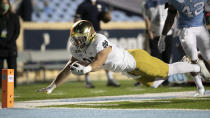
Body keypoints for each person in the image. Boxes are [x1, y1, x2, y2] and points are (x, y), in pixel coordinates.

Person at [37, 20, 204, 96]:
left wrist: (86, 69)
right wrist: (52, 86)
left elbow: (99, 63)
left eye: (79, 38)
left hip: (137, 60)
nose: (76, 42)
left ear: (89, 36)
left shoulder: (99, 41)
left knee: (168, 71)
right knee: (154, 84)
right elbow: (68, 67)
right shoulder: (75, 47)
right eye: (74, 38)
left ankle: (193, 66)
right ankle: (184, 64)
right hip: (127, 70)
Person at [158, 0, 210, 96]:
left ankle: (200, 56)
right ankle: (200, 88)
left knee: (208, 57)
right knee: (193, 59)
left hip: (201, 27)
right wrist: (163, 37)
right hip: (186, 29)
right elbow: (170, 18)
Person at [74, 0, 120, 88]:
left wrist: (107, 18)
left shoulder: (101, 4)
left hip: (99, 32)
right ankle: (87, 81)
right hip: (86, 33)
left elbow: (104, 16)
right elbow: (76, 19)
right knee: (87, 57)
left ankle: (109, 78)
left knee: (104, 54)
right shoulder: (83, 5)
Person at [0, 0, 20, 88]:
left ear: (9, 4)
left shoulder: (14, 16)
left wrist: (10, 41)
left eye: (6, 3)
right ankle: (1, 86)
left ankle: (12, 86)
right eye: (3, 3)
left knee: (12, 69)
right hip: (0, 47)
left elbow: (17, 31)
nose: (5, 5)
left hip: (11, 47)